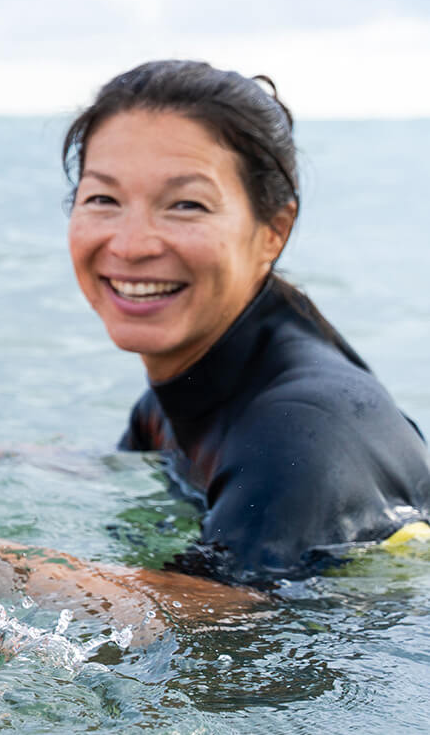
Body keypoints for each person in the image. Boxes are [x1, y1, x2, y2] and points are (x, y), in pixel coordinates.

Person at [62, 59, 430, 584]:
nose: (131, 244)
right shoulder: (183, 393)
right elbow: (108, 468)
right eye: (103, 199)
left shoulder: (301, 430)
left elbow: (216, 620)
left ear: (273, 231)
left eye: (186, 205)